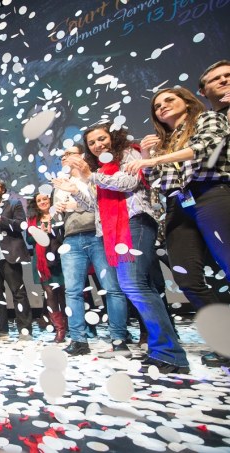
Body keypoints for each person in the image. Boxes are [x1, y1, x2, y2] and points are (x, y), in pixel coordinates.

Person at [63, 123, 189, 372]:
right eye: (92, 143)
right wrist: (76, 192)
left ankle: (170, 353)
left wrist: (90, 177)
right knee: (137, 286)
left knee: (134, 285)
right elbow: (94, 206)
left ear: (113, 138)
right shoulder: (98, 170)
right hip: (111, 231)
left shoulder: (130, 154)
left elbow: (128, 182)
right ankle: (162, 349)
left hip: (135, 223)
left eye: (102, 139)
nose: (99, 145)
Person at [125, 86, 230, 368]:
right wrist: (149, 157)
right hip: (179, 205)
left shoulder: (208, 119)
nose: (162, 107)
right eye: (157, 106)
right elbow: (160, 181)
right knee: (187, 278)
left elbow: (205, 149)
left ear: (186, 101)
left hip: (212, 194)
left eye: (168, 100)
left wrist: (156, 158)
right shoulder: (164, 143)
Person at [52, 146, 129, 357]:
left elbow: (100, 205)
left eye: (70, 153)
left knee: (112, 288)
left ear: (82, 156)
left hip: (98, 235)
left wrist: (76, 202)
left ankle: (119, 339)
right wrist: (56, 213)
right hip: (71, 238)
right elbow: (57, 217)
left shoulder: (94, 176)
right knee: (72, 291)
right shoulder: (58, 186)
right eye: (62, 155)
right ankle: (78, 339)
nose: (65, 157)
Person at [0, 178, 33, 340]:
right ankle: (0, 329)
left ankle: (25, 330)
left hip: (10, 255)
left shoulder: (14, 204)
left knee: (18, 294)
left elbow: (21, 225)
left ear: (3, 190)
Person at [26, 192, 67, 343]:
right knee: (49, 294)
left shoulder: (59, 214)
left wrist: (53, 231)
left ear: (51, 200)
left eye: (45, 199)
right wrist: (39, 234)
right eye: (39, 200)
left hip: (59, 257)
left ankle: (68, 325)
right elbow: (29, 240)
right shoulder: (32, 220)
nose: (42, 202)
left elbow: (65, 235)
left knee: (63, 293)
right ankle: (59, 329)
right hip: (41, 261)